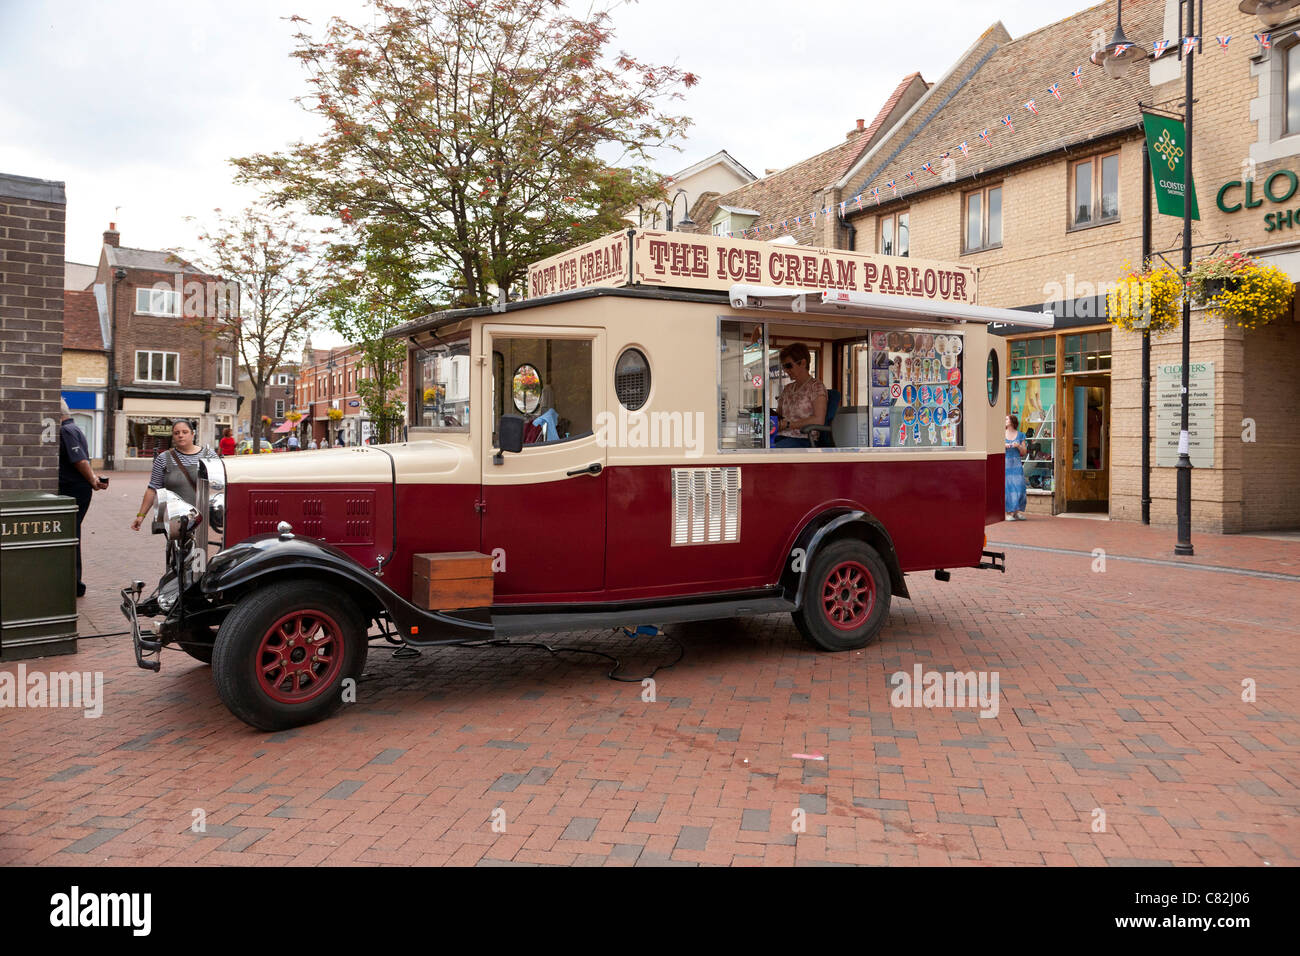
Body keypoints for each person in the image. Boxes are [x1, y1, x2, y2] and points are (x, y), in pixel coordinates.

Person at [130, 420, 219, 532]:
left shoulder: (209, 455)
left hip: (204, 516)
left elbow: (220, 485)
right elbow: (153, 489)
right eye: (176, 433)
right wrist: (140, 516)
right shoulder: (163, 458)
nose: (180, 435)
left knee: (201, 548)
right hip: (175, 518)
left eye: (185, 432)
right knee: (180, 548)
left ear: (192, 434)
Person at [58, 400, 107, 597]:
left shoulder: (66, 431)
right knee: (72, 533)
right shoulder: (73, 428)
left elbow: (79, 460)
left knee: (71, 534)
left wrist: (93, 480)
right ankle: (73, 582)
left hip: (74, 489)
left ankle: (75, 583)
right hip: (78, 488)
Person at [773, 343, 827, 449]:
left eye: (788, 366)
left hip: (803, 439)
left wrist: (789, 425)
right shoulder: (787, 388)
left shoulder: (816, 387)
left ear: (803, 363)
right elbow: (779, 415)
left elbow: (819, 420)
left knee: (771, 452)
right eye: (783, 367)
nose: (785, 370)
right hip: (780, 437)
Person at [1005, 413, 1028, 521]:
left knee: (1020, 487)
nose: (1005, 421)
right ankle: (1008, 512)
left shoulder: (1020, 435)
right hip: (1005, 464)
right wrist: (1003, 446)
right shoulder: (1001, 434)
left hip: (1017, 464)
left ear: (1012, 421)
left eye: (1007, 419)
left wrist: (1018, 446)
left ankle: (1016, 511)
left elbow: (1024, 452)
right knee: (1008, 488)